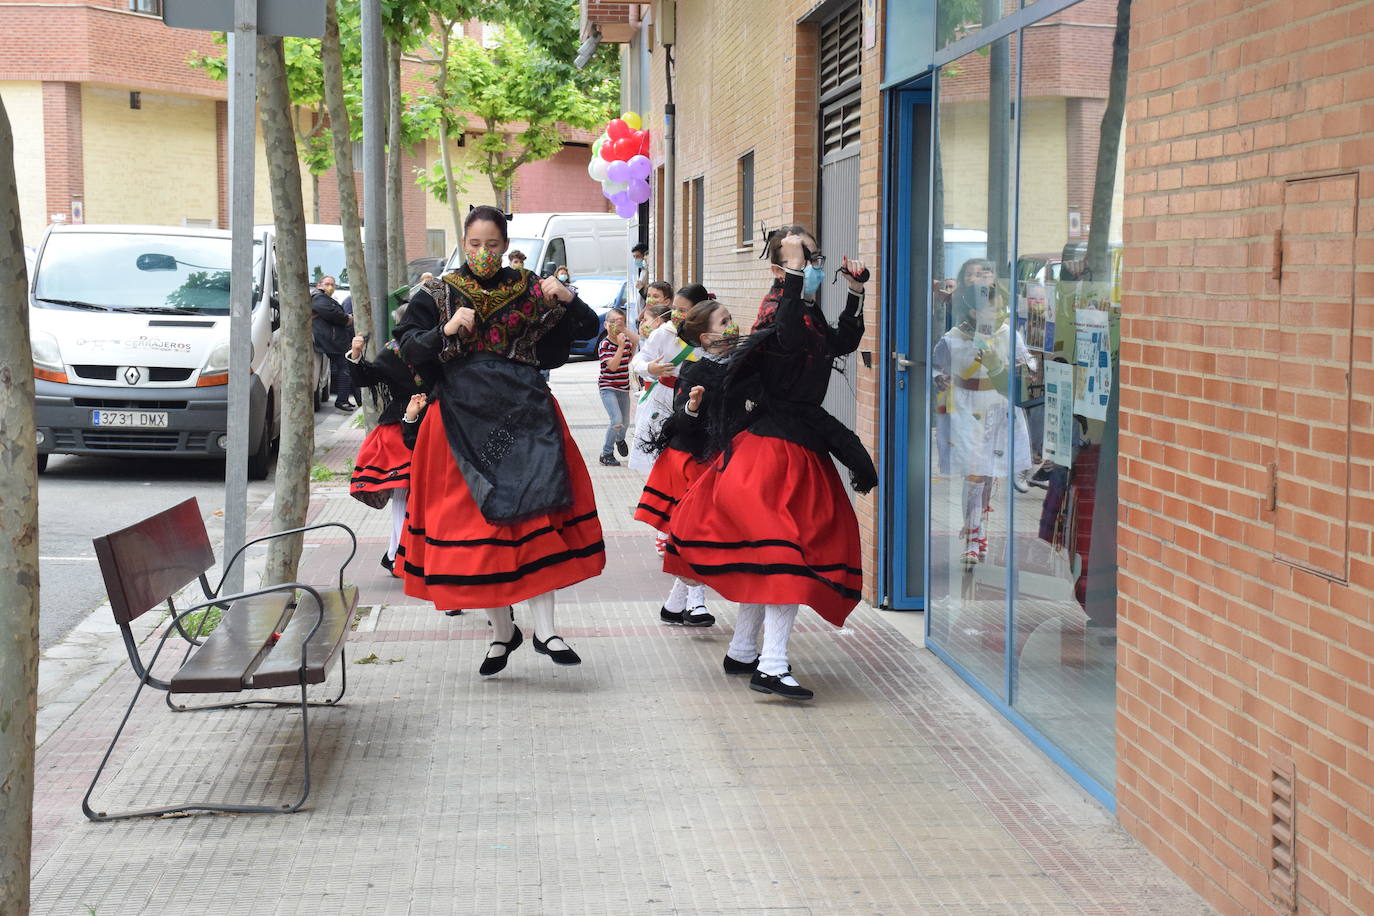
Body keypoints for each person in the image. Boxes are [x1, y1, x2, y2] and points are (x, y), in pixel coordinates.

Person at [664, 227, 875, 701]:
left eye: (814, 255)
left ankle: (743, 650)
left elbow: (839, 342)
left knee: (774, 556)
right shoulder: (777, 306)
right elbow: (784, 332)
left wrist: (856, 292)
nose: (812, 264)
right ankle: (773, 665)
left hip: (795, 449)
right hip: (773, 456)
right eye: (801, 257)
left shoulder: (803, 309)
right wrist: (797, 277)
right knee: (786, 559)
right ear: (780, 268)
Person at [393, 205, 606, 675]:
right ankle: (502, 632)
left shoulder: (532, 286)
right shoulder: (437, 292)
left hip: (522, 416)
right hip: (459, 423)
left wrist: (567, 297)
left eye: (492, 245)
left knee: (533, 513)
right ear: (462, 244)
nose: (484, 253)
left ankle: (546, 630)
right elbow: (406, 347)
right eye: (475, 245)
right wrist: (444, 329)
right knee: (481, 527)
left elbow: (592, 330)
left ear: (506, 244)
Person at [634, 298, 739, 628]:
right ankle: (695, 602)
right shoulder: (695, 368)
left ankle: (676, 604)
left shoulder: (740, 364)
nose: (732, 326)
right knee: (697, 533)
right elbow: (681, 419)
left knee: (703, 532)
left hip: (716, 461)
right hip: (688, 461)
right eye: (724, 322)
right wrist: (692, 406)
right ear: (706, 338)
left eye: (730, 319)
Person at [931, 258, 1034, 567]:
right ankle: (973, 535)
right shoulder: (952, 338)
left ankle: (981, 527)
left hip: (996, 408)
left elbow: (1030, 365)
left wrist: (1019, 366)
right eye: (982, 307)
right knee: (974, 475)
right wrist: (941, 378)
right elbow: (937, 367)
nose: (990, 313)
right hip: (966, 408)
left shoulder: (1007, 334)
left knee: (988, 475)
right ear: (970, 310)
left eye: (995, 306)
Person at [344, 331, 434, 577]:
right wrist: (355, 354)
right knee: (404, 489)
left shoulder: (441, 342)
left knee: (417, 493)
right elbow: (367, 377)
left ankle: (396, 553)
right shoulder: (393, 351)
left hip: (437, 421)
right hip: (401, 425)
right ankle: (398, 556)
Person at [628, 283, 711, 476]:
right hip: (662, 399)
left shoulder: (709, 338)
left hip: (693, 401)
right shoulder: (663, 333)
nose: (676, 314)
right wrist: (650, 368)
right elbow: (639, 360)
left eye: (683, 310)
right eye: (674, 308)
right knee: (656, 455)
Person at [311, 275, 356, 411]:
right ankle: (342, 400)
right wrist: (347, 318)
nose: (330, 287)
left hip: (332, 340)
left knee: (346, 367)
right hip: (331, 341)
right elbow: (332, 314)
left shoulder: (324, 298)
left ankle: (344, 399)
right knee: (345, 368)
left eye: (332, 284)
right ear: (319, 285)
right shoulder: (319, 298)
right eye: (327, 283)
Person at [596, 307, 634, 466]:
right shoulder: (604, 344)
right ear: (605, 324)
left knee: (625, 422)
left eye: (620, 322)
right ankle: (606, 453)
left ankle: (620, 439)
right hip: (608, 388)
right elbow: (612, 366)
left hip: (623, 388)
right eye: (612, 322)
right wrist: (620, 347)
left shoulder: (627, 342)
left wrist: (625, 347)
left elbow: (629, 358)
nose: (615, 325)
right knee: (616, 419)